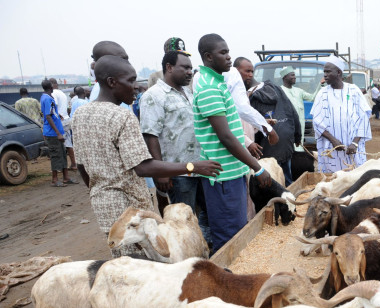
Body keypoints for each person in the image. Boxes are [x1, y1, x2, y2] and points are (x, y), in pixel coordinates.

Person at [72, 55, 221, 257]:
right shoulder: (122, 116)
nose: (135, 86)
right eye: (130, 80)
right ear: (111, 82)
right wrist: (192, 167)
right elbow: (143, 167)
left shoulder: (80, 114)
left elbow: (81, 165)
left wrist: (98, 190)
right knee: (145, 264)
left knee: (124, 263)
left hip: (104, 205)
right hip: (131, 212)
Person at [192, 34, 272, 254]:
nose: (229, 57)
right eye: (223, 53)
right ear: (208, 57)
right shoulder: (209, 88)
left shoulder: (217, 83)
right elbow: (226, 137)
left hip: (231, 172)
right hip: (223, 176)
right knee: (229, 237)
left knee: (237, 231)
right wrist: (258, 168)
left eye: (228, 52)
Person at [140, 49, 201, 215]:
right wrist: (161, 172)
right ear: (169, 67)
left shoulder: (187, 92)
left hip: (199, 168)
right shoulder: (154, 96)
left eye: (191, 68)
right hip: (177, 173)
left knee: (202, 220)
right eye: (185, 68)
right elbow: (150, 135)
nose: (190, 72)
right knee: (181, 220)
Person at [310, 55, 372, 172]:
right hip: (332, 150)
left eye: (328, 72)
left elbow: (363, 118)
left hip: (353, 149)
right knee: (333, 182)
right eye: (324, 72)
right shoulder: (322, 94)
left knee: (355, 178)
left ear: (338, 72)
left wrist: (355, 143)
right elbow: (317, 122)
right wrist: (333, 140)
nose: (325, 75)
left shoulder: (353, 90)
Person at [250, 76, 302, 185]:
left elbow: (251, 126)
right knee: (287, 179)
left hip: (266, 147)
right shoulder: (277, 89)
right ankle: (288, 197)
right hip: (285, 140)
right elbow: (293, 113)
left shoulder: (249, 98)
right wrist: (297, 136)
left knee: (271, 181)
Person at [230, 57, 278, 159]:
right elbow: (229, 126)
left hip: (246, 151)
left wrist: (263, 123)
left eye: (252, 72)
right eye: (247, 71)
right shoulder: (229, 95)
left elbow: (245, 124)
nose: (251, 75)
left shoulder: (243, 94)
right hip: (237, 150)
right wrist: (248, 143)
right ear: (235, 71)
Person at [41, 80, 76, 187]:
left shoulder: (48, 97)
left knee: (62, 154)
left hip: (57, 131)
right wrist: (58, 133)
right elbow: (48, 116)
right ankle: (55, 180)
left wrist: (58, 115)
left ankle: (66, 177)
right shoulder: (47, 98)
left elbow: (51, 113)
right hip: (53, 133)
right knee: (56, 155)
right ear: (51, 87)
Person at [279, 66, 319, 151]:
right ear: (285, 77)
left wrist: (320, 85)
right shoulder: (280, 91)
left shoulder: (299, 91)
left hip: (300, 127)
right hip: (287, 126)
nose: (295, 77)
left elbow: (312, 97)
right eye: (292, 75)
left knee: (298, 150)